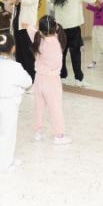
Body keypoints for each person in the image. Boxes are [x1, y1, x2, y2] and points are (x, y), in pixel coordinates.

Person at [0, 34, 32, 173]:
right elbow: (28, 82)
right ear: (13, 48)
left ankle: (7, 158)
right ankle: (2, 165)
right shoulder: (15, 66)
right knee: (8, 134)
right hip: (8, 104)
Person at [27, 16, 72, 145]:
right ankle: (59, 136)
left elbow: (30, 28)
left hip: (39, 79)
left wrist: (37, 28)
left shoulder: (37, 38)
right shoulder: (58, 41)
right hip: (52, 80)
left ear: (40, 30)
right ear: (55, 27)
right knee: (55, 108)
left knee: (38, 107)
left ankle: (38, 132)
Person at [50, 0, 96, 87]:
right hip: (74, 29)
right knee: (76, 55)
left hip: (60, 29)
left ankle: (62, 77)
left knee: (61, 54)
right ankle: (78, 80)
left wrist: (57, 8)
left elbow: (50, 3)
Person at [3, 0, 40, 80]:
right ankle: (22, 76)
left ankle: (31, 77)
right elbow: (9, 2)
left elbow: (27, 1)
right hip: (17, 26)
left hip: (27, 28)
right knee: (19, 53)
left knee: (28, 53)